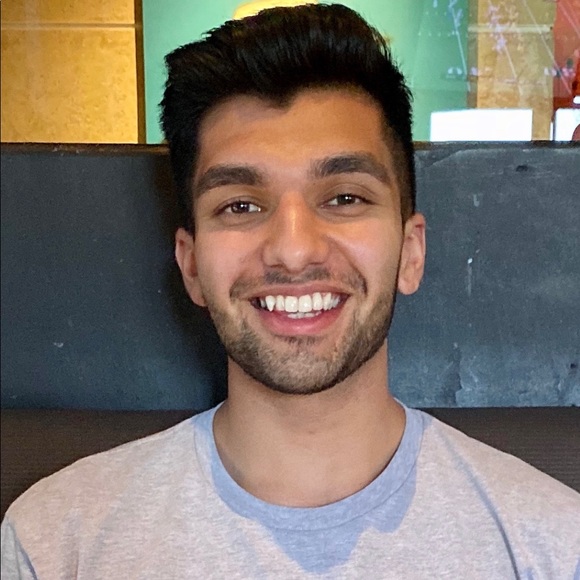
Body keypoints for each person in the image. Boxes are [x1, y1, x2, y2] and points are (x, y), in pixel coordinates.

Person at [2, 4, 579, 578]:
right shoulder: (57, 545)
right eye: (240, 206)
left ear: (410, 252)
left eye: (345, 198)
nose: (294, 250)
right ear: (192, 266)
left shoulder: (553, 546)